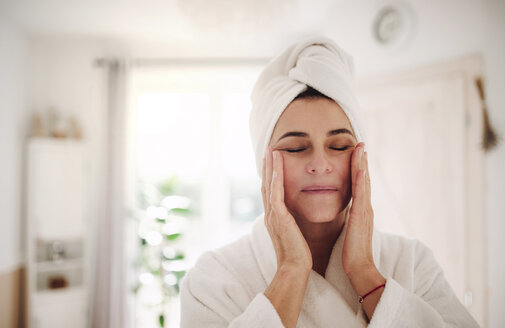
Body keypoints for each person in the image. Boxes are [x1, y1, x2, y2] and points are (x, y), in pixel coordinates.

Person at [179, 36, 480, 327]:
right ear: (265, 165)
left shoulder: (411, 262)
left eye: (338, 146)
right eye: (296, 148)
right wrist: (291, 271)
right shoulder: (213, 280)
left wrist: (365, 273)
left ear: (360, 156)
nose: (320, 165)